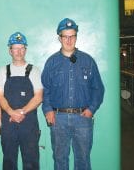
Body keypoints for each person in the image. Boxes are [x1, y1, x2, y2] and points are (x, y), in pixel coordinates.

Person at [41, 18, 105, 170]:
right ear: (59, 38)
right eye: (65, 36)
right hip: (58, 119)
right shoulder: (52, 62)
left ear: (76, 36)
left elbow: (98, 88)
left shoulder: (88, 61)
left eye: (72, 36)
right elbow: (44, 89)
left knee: (83, 159)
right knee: (59, 159)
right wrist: (48, 109)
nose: (69, 40)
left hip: (82, 118)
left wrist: (91, 109)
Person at [0, 32, 43, 170]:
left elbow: (39, 96)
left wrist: (21, 112)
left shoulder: (34, 71)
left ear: (25, 50)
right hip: (9, 124)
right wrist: (11, 112)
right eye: (15, 48)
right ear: (10, 50)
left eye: (22, 48)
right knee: (9, 161)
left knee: (31, 161)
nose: (18, 51)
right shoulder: (3, 71)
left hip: (29, 124)